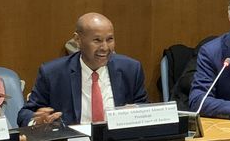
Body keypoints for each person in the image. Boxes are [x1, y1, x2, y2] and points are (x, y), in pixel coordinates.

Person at [19, 13, 148, 126]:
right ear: (77, 40)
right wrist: (36, 121)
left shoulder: (131, 69)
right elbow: (25, 114)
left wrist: (136, 112)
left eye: (109, 39)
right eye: (97, 40)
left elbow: (144, 107)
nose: (105, 47)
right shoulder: (52, 73)